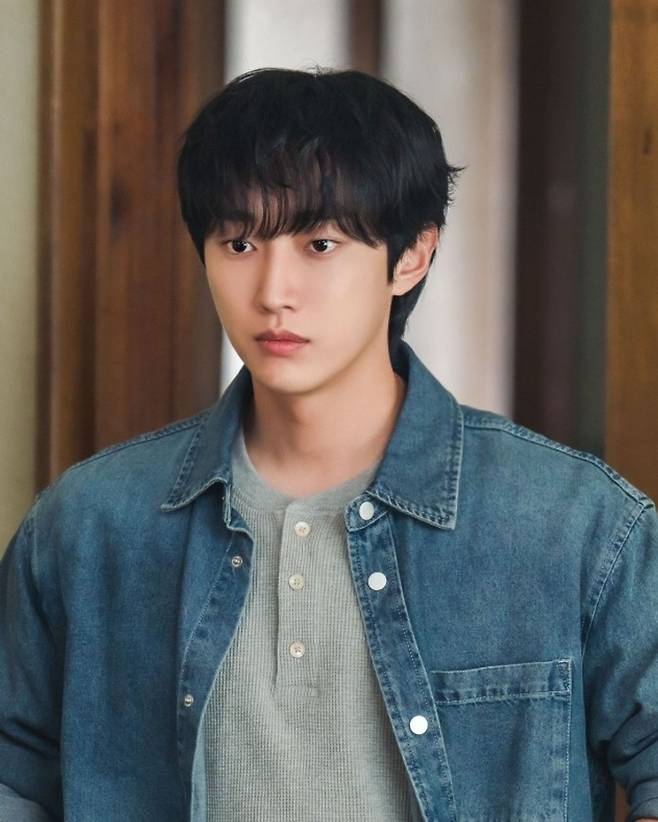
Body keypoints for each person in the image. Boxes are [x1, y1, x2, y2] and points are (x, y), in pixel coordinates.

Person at [1, 66, 657, 822]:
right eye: (239, 242)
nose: (272, 292)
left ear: (411, 256)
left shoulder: (572, 521)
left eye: (319, 243)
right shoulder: (89, 524)